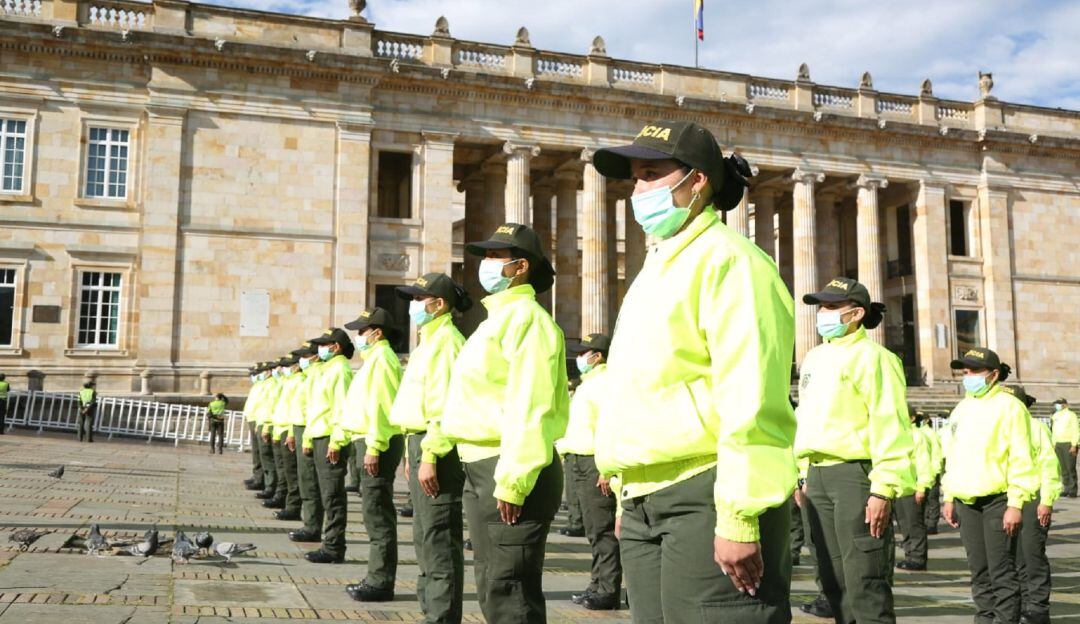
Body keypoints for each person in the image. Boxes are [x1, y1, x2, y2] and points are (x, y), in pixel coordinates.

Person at [591, 120, 796, 622]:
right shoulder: (656, 269)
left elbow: (752, 398)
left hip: (704, 493)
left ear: (697, 180)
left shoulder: (733, 262)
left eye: (651, 174)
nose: (638, 189)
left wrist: (739, 515)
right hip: (644, 497)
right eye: (635, 178)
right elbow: (638, 389)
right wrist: (625, 490)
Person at [441, 222, 569, 624]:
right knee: (492, 582)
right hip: (482, 463)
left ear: (521, 267)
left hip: (510, 465)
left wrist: (514, 480)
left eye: (496, 256)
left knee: (510, 588)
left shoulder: (529, 320)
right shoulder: (494, 320)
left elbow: (531, 406)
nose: (486, 263)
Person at [796, 277, 916, 623]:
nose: (822, 314)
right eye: (821, 307)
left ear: (856, 313)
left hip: (855, 476)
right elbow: (805, 419)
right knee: (832, 581)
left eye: (831, 307)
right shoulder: (815, 357)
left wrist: (883, 488)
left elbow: (890, 424)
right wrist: (802, 474)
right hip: (817, 476)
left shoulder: (876, 358)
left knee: (864, 580)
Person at [383, 274, 471, 621]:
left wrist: (430, 455)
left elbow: (445, 407)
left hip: (437, 447)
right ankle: (429, 610)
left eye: (421, 298)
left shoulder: (447, 342)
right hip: (419, 443)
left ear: (440, 304)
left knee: (438, 538)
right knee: (423, 535)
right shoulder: (429, 343)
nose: (414, 305)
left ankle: (442, 616)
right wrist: (411, 452)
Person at [941, 348, 1039, 624]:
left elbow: (1021, 458)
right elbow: (952, 455)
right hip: (966, 500)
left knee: (1002, 572)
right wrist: (949, 496)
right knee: (979, 571)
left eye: (974, 371)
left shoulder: (1010, 407)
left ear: (994, 375)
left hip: (998, 500)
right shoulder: (962, 408)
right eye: (965, 371)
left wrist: (1016, 504)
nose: (967, 376)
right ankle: (984, 618)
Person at [338, 307, 404, 601]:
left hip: (376, 442)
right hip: (368, 440)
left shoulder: (382, 359)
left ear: (377, 333)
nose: (358, 336)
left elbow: (382, 407)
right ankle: (375, 576)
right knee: (372, 512)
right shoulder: (374, 360)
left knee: (377, 514)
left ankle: (380, 582)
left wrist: (374, 447)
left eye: (362, 331)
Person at [557, 333, 622, 611]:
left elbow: (611, 426)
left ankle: (608, 589)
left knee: (602, 529)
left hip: (594, 461)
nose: (580, 357)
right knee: (593, 530)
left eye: (585, 352)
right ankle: (597, 584)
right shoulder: (588, 384)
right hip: (578, 459)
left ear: (598, 356)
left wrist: (607, 469)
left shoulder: (606, 383)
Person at [1003, 385, 1061, 624]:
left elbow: (1049, 466)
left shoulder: (1035, 428)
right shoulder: (999, 428)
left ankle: (1037, 608)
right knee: (1011, 556)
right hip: (1005, 499)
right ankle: (1021, 602)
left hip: (1032, 497)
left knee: (1031, 554)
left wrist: (1046, 501)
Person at [302, 327, 355, 564]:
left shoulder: (340, 370)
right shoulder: (327, 369)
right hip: (319, 436)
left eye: (325, 344)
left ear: (336, 347)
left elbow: (342, 409)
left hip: (330, 439)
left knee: (333, 494)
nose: (320, 348)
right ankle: (329, 541)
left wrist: (337, 440)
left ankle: (334, 546)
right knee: (325, 493)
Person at [289, 341, 326, 542]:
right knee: (305, 480)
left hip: (310, 429)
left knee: (310, 481)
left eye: (306, 356)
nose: (301, 360)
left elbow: (315, 409)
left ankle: (313, 526)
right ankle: (309, 523)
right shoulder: (307, 376)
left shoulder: (318, 375)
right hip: (303, 428)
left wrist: (307, 437)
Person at [895, 407, 934, 571]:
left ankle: (918, 558)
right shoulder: (897, 434)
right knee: (904, 524)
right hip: (899, 487)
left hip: (913, 487)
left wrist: (922, 487)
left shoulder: (918, 435)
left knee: (914, 524)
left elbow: (924, 462)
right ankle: (909, 555)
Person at [270, 356, 303, 521]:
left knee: (291, 472)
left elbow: (296, 411)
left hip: (290, 429)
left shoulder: (299, 381)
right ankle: (287, 501)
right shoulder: (289, 382)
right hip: (283, 428)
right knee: (285, 469)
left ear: (296, 367)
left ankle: (293, 505)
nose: (282, 370)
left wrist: (290, 432)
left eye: (286, 366)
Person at [255, 362, 284, 503]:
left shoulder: (277, 383)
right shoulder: (269, 383)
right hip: (266, 422)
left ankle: (273, 488)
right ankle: (269, 485)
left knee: (276, 461)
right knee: (266, 457)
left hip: (276, 425)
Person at [918, 412, 944, 535]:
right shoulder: (928, 433)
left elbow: (936, 453)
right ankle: (930, 524)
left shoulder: (928, 434)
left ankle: (930, 524)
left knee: (929, 501)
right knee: (931, 501)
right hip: (930, 471)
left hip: (928, 471)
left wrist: (935, 471)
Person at [243, 364, 267, 491]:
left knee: (262, 453)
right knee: (257, 452)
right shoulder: (258, 385)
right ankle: (257, 475)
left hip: (261, 420)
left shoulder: (266, 385)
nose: (253, 376)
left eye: (255, 373)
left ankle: (262, 479)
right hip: (254, 419)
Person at [1050, 398, 1078, 497]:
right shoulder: (1055, 416)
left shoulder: (1071, 415)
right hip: (1058, 444)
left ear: (1065, 405)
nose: (1057, 406)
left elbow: (1076, 430)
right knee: (1063, 468)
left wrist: (1074, 445)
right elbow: (1054, 431)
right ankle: (1066, 488)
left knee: (1070, 468)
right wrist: (1053, 444)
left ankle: (1072, 490)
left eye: (1058, 404)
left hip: (1068, 444)